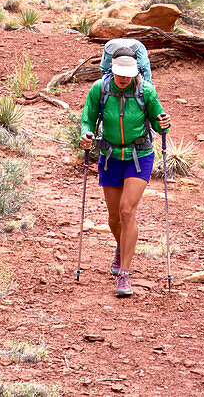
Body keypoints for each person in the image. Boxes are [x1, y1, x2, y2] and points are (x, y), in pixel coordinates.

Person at [80, 54, 170, 298]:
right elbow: (87, 119)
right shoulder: (99, 90)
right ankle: (122, 247)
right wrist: (86, 134)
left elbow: (158, 119)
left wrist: (163, 123)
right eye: (119, 73)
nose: (123, 78)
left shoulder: (146, 91)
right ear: (111, 69)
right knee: (113, 219)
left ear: (136, 74)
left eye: (128, 75)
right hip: (110, 156)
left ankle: (125, 274)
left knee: (127, 211)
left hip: (139, 156)